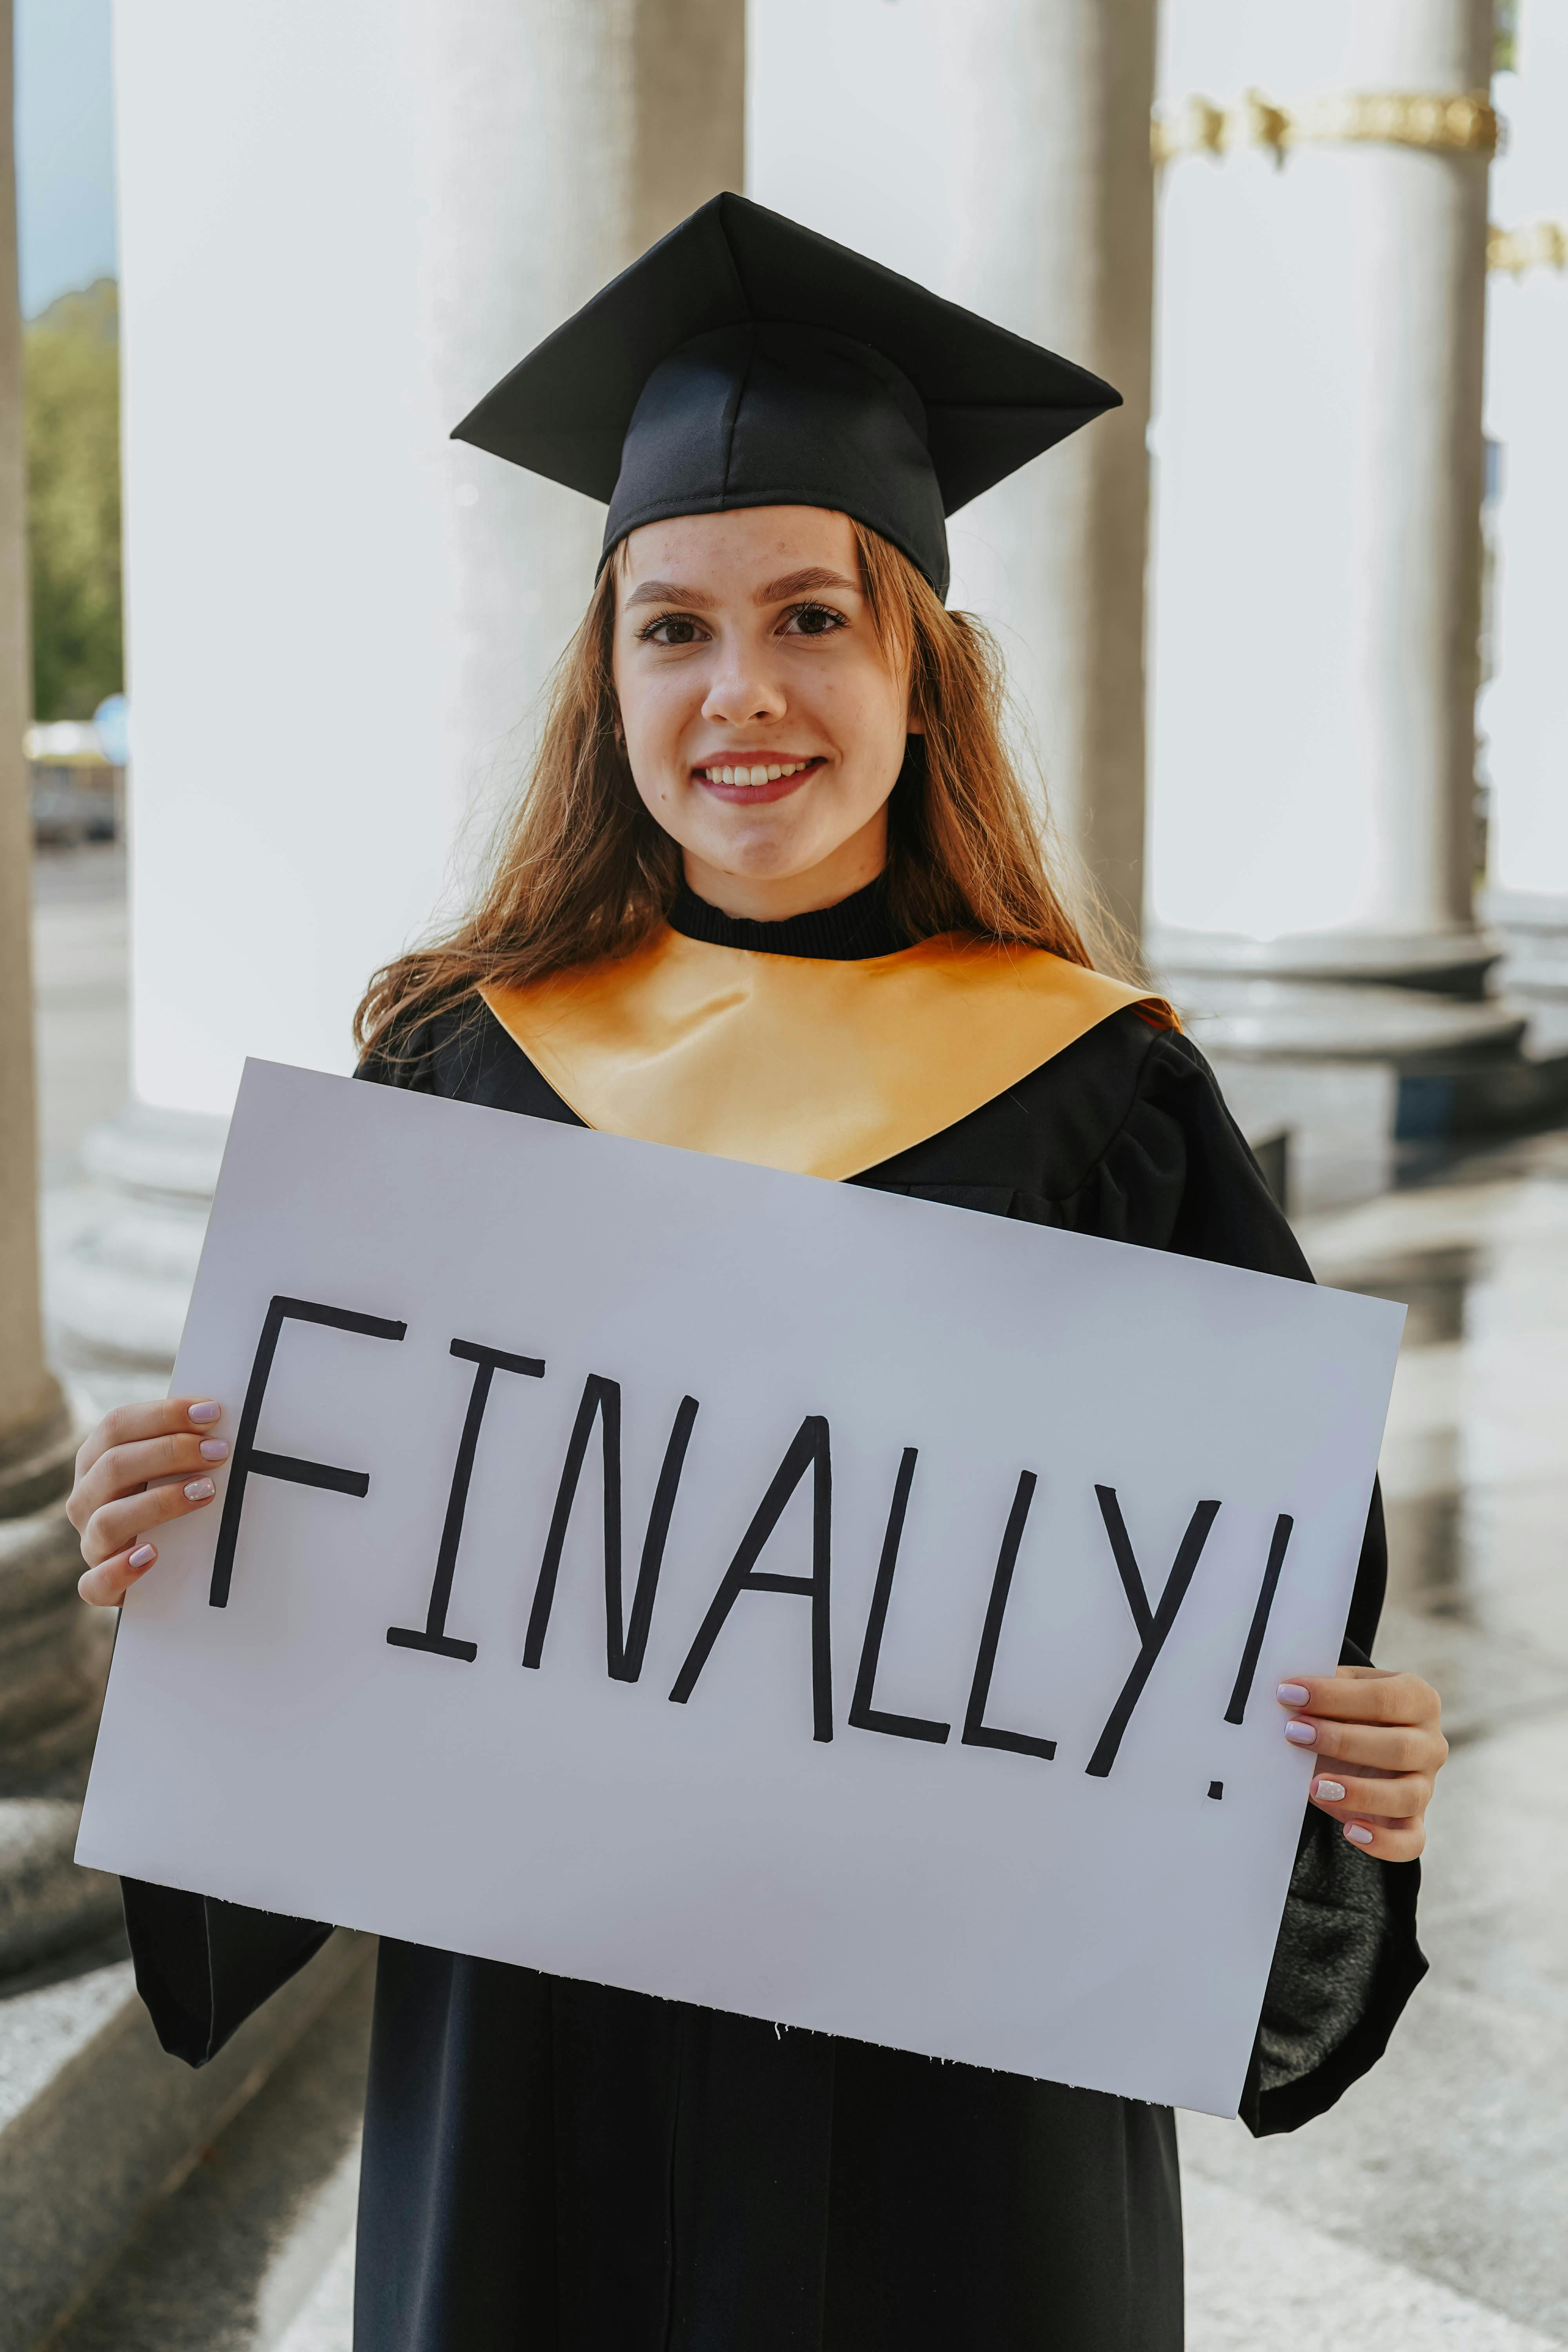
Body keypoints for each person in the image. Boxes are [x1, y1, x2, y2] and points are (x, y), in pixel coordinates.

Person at [68, 196, 1447, 2350]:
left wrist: (1348, 1779)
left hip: (961, 2099)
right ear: (606, 678)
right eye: (673, 629)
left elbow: (1257, 1637)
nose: (745, 695)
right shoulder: (458, 1075)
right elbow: (339, 1639)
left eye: (815, 617)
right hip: (543, 2066)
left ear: (920, 671)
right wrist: (192, 1558)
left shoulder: (1102, 1098)